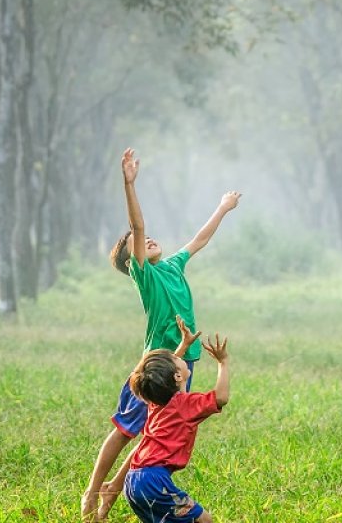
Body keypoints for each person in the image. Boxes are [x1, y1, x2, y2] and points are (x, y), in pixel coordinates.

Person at [81, 147, 240, 521]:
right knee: (125, 431)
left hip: (184, 361)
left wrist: (222, 208)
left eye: (149, 238)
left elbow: (199, 239)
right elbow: (137, 226)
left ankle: (111, 496)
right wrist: (129, 183)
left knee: (155, 433)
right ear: (130, 259)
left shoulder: (171, 266)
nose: (148, 239)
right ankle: (93, 492)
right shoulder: (146, 276)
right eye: (138, 242)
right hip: (155, 366)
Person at [123, 333, 231, 523]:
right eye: (176, 358)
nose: (178, 356)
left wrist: (183, 345)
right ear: (178, 375)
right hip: (154, 481)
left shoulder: (157, 402)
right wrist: (223, 362)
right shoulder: (186, 405)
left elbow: (165, 376)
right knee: (205, 520)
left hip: (133, 480)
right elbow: (221, 397)